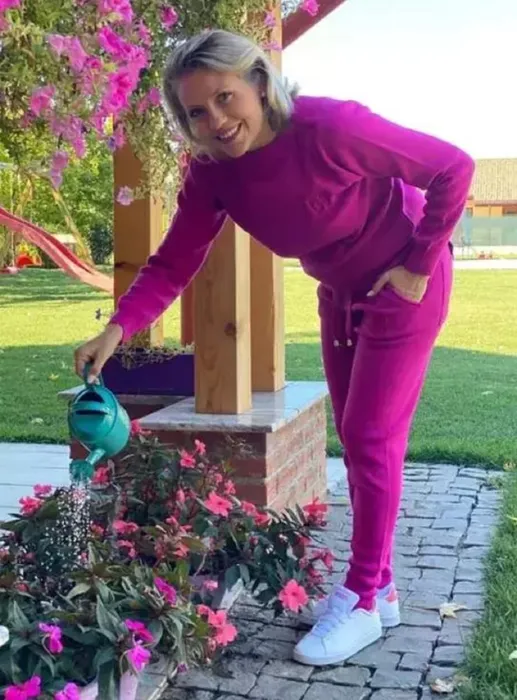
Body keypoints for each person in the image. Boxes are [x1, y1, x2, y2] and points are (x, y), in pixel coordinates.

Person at [74, 28, 475, 666]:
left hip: (404, 286)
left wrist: (419, 264)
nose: (215, 120)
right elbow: (174, 262)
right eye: (196, 112)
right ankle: (380, 589)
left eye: (225, 97)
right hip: (340, 291)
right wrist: (116, 330)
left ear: (260, 84)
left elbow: (453, 167)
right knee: (357, 438)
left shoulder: (331, 127)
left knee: (372, 436)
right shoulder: (213, 172)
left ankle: (362, 599)